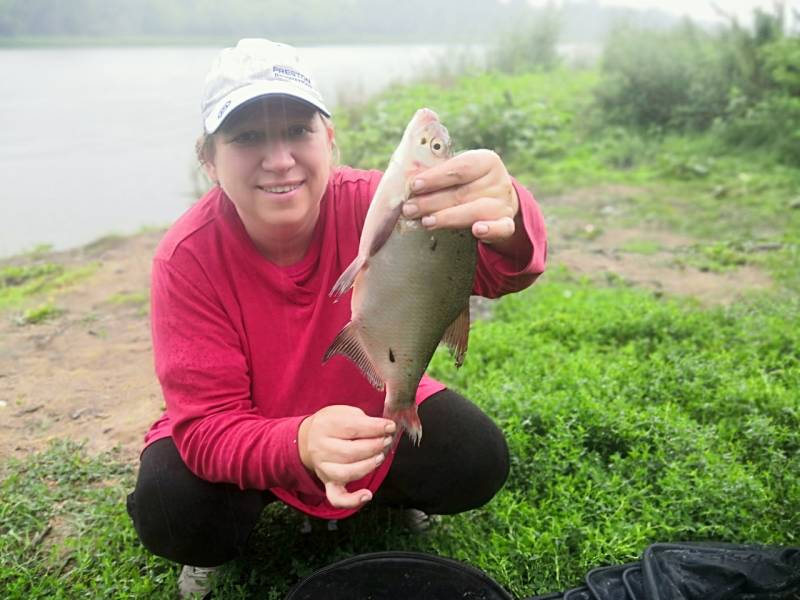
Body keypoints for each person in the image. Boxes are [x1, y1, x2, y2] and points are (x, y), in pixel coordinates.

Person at [126, 38, 547, 598]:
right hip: (245, 421)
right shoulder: (187, 257)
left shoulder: (388, 207)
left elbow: (502, 273)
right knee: (173, 507)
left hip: (371, 398)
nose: (279, 160)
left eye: (298, 131)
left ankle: (388, 494)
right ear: (208, 160)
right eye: (247, 137)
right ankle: (221, 539)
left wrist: (511, 211)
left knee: (477, 459)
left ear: (329, 140)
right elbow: (205, 427)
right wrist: (297, 442)